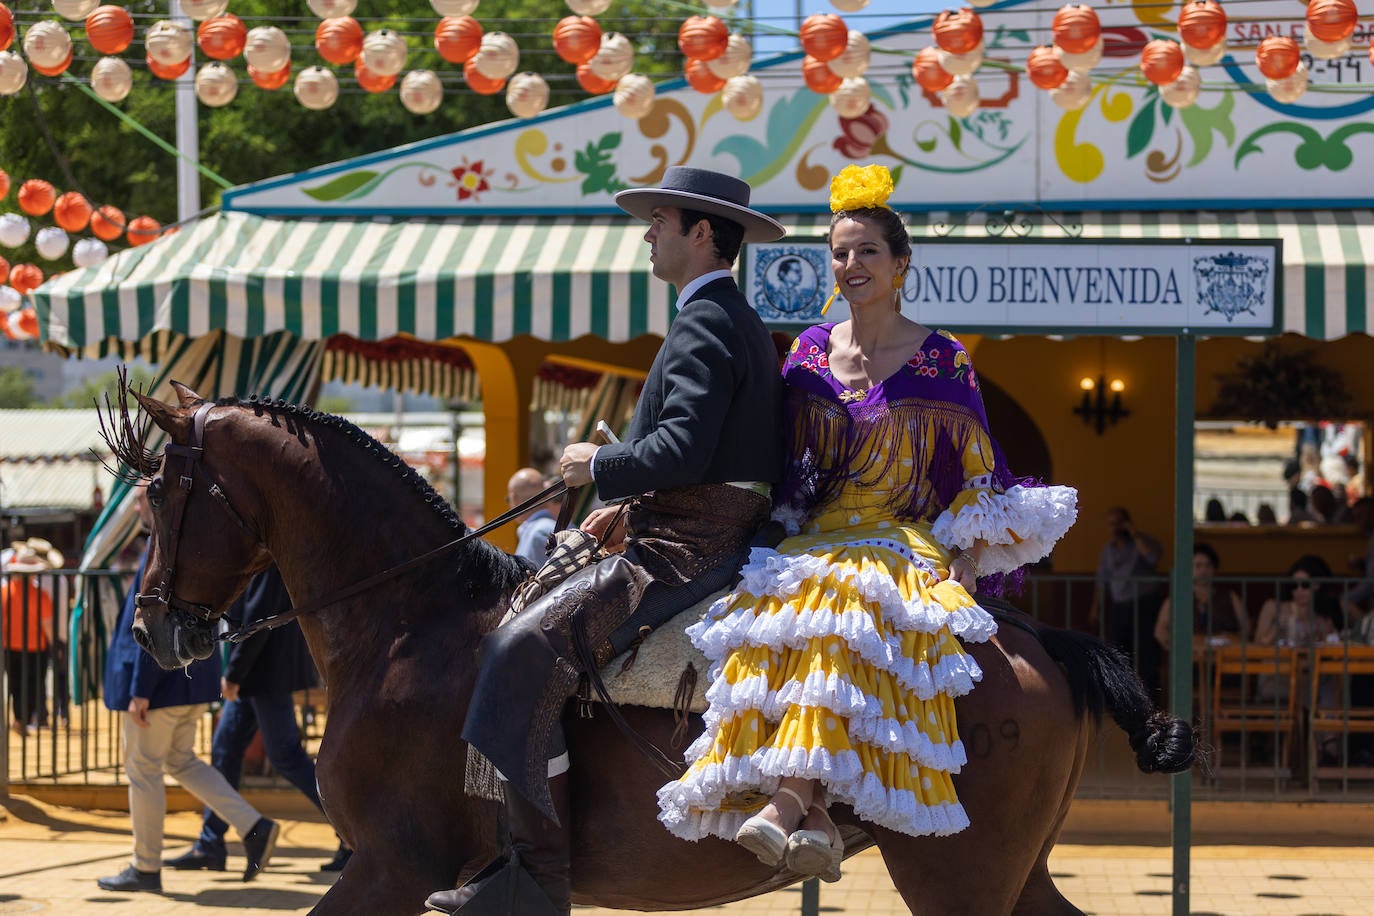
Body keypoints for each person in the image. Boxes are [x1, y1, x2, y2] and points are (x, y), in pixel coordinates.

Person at [654, 164, 1078, 882]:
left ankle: (789, 802)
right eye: (840, 253)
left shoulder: (944, 359)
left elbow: (979, 471)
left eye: (868, 251)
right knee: (767, 619)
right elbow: (782, 459)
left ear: (901, 263)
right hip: (812, 535)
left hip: (899, 539)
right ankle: (818, 819)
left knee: (841, 603)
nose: (851, 264)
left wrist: (968, 554)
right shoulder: (808, 352)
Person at [427, 166, 788, 916]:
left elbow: (683, 449)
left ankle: (536, 877)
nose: (648, 235)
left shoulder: (706, 319)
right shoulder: (723, 315)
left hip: (685, 548)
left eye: (659, 221)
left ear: (700, 232)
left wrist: (598, 464)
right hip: (694, 531)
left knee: (515, 649)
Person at [96, 486, 280, 893]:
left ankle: (145, 867)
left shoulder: (161, 551)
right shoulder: (189, 547)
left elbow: (151, 627)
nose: (137, 506)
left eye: (142, 499)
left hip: (159, 688)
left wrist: (140, 690)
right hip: (188, 682)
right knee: (180, 761)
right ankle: (254, 826)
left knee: (143, 770)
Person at [165, 565, 351, 875]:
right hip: (256, 675)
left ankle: (352, 833)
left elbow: (259, 618)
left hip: (265, 674)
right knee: (225, 750)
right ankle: (210, 844)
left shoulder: (266, 558)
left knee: (285, 756)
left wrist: (234, 673)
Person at [1089, 506, 1165, 693]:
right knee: (1120, 653)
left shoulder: (1142, 542)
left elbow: (1153, 557)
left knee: (1147, 653)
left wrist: (1134, 532)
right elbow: (1102, 580)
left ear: (1127, 523)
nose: (1115, 528)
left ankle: (1151, 697)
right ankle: (1125, 696)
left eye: (1119, 523)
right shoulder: (1108, 549)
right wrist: (1095, 608)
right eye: (1111, 524)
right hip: (1120, 608)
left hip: (1145, 605)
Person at [1153, 542, 1246, 652]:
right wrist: (1177, 649)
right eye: (1198, 565)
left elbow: (1246, 629)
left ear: (1214, 569)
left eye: (1208, 565)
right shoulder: (1177, 599)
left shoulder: (1230, 596)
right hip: (1188, 657)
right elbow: (1160, 631)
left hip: (1224, 656)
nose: (1203, 571)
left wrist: (1231, 641)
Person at [2, 543, 53, 736]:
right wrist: (54, 644)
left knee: (15, 684)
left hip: (10, 645)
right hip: (35, 646)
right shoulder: (40, 595)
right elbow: (47, 624)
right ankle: (25, 718)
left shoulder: (5, 591)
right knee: (33, 684)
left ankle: (18, 718)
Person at [1256, 555, 1338, 648]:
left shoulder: (1322, 618)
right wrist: (1277, 628)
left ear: (1316, 585)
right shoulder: (1273, 607)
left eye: (1305, 585)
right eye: (1294, 585)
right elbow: (1257, 644)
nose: (1299, 590)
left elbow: (1333, 645)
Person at [507, 467, 557, 567]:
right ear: (546, 496)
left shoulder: (537, 534)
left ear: (514, 498)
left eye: (508, 499)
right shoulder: (568, 526)